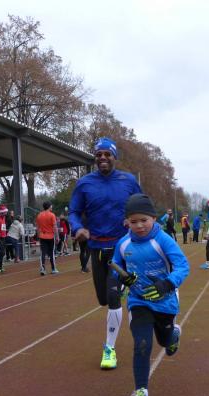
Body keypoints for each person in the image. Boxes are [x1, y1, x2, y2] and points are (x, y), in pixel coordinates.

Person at [68, 137, 142, 370]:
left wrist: (134, 220)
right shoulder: (84, 183)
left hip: (121, 249)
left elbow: (141, 205)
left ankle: (109, 348)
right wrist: (77, 228)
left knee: (112, 297)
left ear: (114, 157)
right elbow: (73, 211)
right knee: (103, 299)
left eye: (107, 154)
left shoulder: (128, 181)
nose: (102, 158)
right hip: (97, 249)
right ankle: (120, 291)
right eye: (98, 154)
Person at [112, 194, 189, 396]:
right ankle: (141, 394)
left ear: (154, 218)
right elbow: (116, 265)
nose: (139, 225)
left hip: (165, 302)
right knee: (142, 343)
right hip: (139, 301)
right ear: (127, 222)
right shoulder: (123, 243)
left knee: (165, 342)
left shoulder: (163, 240)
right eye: (133, 221)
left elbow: (183, 266)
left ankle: (173, 334)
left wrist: (167, 283)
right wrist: (122, 278)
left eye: (143, 220)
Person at [36, 201, 58, 275]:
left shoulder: (39, 215)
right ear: (49, 206)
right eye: (51, 206)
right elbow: (55, 227)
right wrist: (57, 236)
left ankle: (43, 269)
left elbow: (38, 227)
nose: (52, 207)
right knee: (51, 253)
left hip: (42, 236)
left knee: (43, 253)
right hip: (51, 236)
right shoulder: (52, 215)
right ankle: (53, 269)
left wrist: (38, 236)